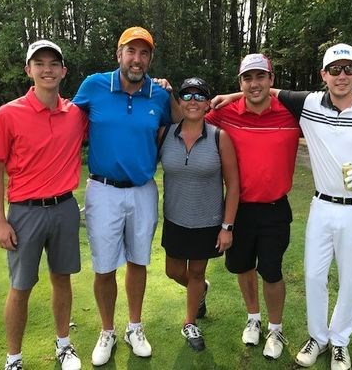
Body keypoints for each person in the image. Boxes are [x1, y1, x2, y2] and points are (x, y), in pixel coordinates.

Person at [272, 43, 352, 370]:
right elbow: (263, 89)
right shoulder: (309, 104)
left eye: (348, 69)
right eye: (335, 70)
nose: (342, 76)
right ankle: (318, 337)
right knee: (314, 276)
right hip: (322, 206)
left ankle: (340, 341)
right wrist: (227, 97)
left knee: (350, 278)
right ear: (324, 75)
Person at [72, 26, 178, 365]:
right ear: (119, 54)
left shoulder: (159, 95)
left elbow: (180, 121)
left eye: (144, 53)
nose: (137, 58)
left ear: (149, 59)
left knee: (138, 261)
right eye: (131, 51)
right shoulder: (94, 85)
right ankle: (107, 330)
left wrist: (172, 90)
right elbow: (65, 123)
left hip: (144, 189)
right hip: (102, 190)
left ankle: (134, 326)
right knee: (104, 266)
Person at [0, 40, 86, 370]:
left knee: (62, 280)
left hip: (65, 208)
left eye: (53, 64)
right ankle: (13, 359)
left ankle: (64, 345)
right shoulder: (8, 114)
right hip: (24, 212)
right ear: (29, 70)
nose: (47, 69)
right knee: (20, 287)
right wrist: (0, 221)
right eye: (39, 63)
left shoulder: (76, 114)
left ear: (63, 71)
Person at [204, 53, 301, 359]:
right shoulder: (225, 113)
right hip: (239, 208)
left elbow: (331, 100)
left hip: (275, 208)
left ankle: (275, 328)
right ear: (240, 82)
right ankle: (253, 319)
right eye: (247, 78)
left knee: (271, 270)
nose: (254, 83)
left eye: (261, 77)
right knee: (242, 267)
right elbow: (189, 116)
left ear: (272, 81)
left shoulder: (291, 112)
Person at [158, 77, 239, 351]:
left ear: (207, 104)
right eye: (187, 96)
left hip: (207, 221)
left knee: (195, 271)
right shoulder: (165, 134)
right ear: (180, 102)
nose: (192, 101)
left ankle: (189, 322)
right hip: (175, 219)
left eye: (199, 96)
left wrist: (227, 226)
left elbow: (234, 184)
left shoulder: (219, 137)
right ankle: (202, 289)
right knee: (174, 271)